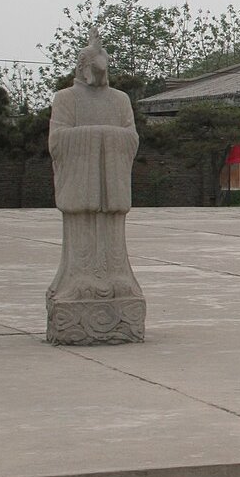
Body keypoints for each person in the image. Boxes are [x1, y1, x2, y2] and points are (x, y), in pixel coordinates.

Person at [47, 28, 145, 344]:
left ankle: (117, 281)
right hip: (80, 191)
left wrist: (104, 138)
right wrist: (99, 137)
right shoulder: (65, 99)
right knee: (83, 247)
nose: (101, 78)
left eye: (105, 71)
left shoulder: (120, 100)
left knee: (113, 247)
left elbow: (131, 138)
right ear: (83, 68)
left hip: (111, 193)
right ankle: (78, 281)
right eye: (96, 70)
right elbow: (57, 141)